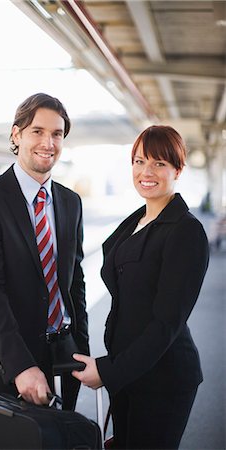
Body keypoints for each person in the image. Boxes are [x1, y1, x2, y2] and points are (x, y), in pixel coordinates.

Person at [73, 125, 209, 449]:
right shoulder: (137, 221)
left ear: (178, 169)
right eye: (139, 161)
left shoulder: (186, 232)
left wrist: (108, 372)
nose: (146, 172)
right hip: (131, 372)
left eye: (159, 163)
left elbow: (166, 324)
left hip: (164, 378)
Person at [0, 93, 89, 410]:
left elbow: (75, 281)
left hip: (65, 357)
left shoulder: (71, 202)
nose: (48, 143)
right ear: (16, 135)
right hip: (9, 363)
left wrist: (82, 347)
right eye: (38, 131)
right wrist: (20, 365)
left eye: (57, 134)